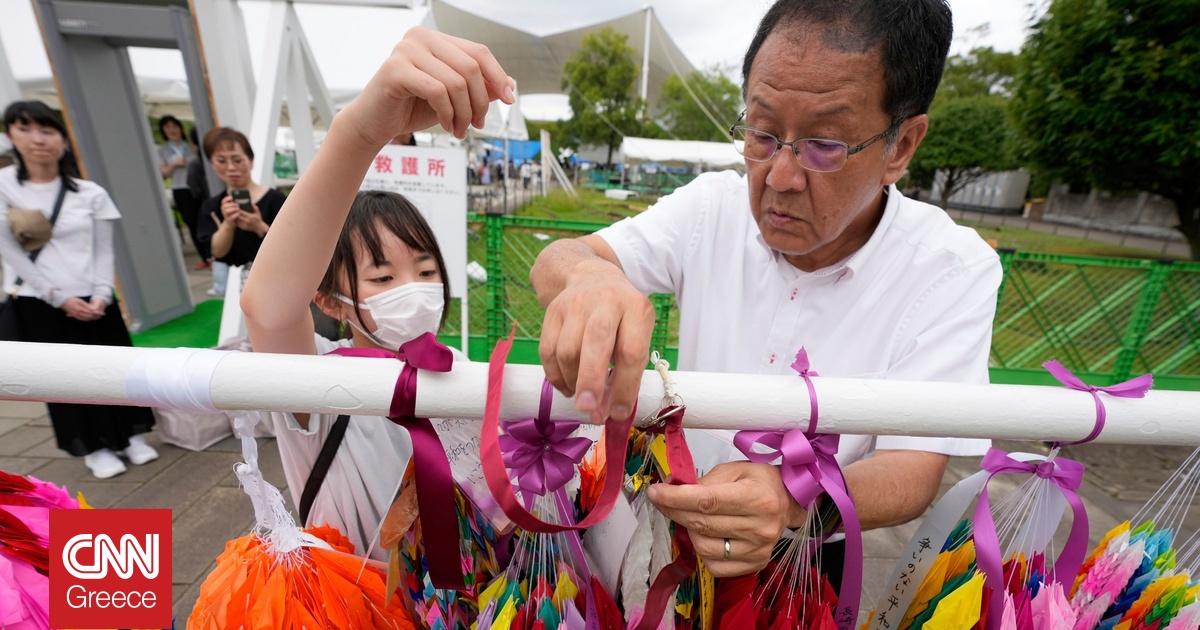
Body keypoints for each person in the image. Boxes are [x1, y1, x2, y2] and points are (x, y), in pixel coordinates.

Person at [530, 0, 1000, 585]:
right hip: (667, 532)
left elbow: (913, 468)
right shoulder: (710, 209)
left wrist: (792, 499)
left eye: (824, 145)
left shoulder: (951, 269)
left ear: (900, 146)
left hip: (808, 544)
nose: (779, 176)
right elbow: (560, 258)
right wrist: (590, 277)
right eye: (762, 132)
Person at [239, 27, 514, 560]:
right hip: (357, 605)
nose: (413, 292)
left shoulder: (457, 368)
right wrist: (359, 133)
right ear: (331, 302)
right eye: (383, 279)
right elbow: (268, 308)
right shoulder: (316, 385)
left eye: (426, 270)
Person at [0, 100, 159, 479]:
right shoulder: (5, 188)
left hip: (96, 297)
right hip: (40, 300)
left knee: (116, 372)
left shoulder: (89, 193)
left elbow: (104, 249)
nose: (39, 139)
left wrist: (102, 293)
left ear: (63, 140)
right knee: (64, 379)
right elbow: (10, 253)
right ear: (10, 136)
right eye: (25, 129)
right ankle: (94, 446)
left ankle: (130, 436)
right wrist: (59, 298)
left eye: (48, 130)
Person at [195, 127, 286, 297]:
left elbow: (294, 246)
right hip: (249, 278)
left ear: (250, 161)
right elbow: (217, 252)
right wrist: (228, 224)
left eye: (237, 160)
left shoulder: (276, 200)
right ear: (212, 164)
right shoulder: (213, 207)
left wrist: (260, 227)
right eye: (221, 161)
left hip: (285, 274)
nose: (231, 167)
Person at [156, 116, 202, 264]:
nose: (172, 130)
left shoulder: (191, 147)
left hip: (195, 187)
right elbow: (164, 173)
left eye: (174, 126)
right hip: (179, 188)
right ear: (163, 131)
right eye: (168, 127)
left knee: (202, 219)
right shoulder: (162, 150)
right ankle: (204, 257)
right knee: (191, 222)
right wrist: (175, 164)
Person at [184, 126, 211, 269]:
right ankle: (208, 258)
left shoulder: (198, 162)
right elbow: (194, 188)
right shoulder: (196, 163)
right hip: (201, 203)